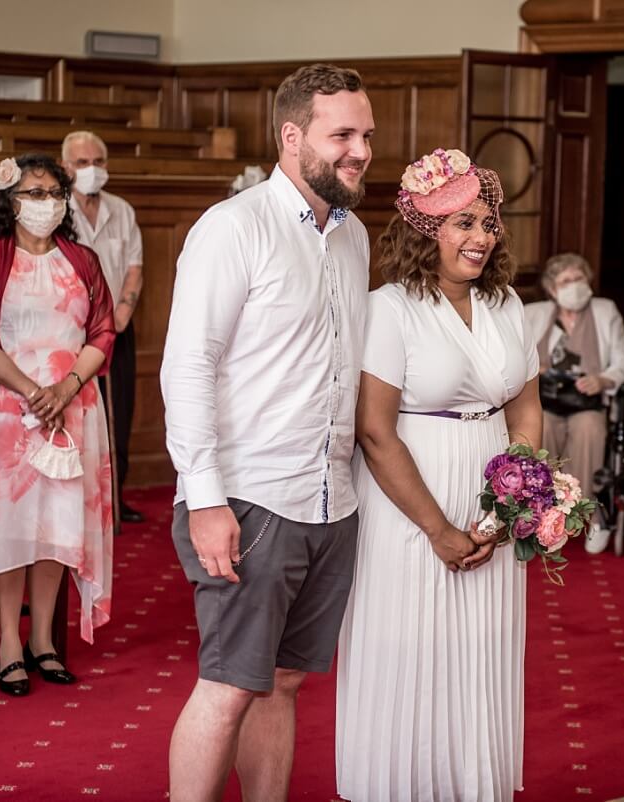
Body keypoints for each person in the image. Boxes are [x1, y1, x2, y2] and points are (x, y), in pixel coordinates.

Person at [160, 63, 374, 802]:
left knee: (282, 683)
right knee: (226, 686)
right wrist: (207, 499)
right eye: (341, 134)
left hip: (330, 502)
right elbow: (187, 369)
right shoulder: (233, 228)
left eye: (366, 135)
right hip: (250, 501)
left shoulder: (354, 238)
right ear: (292, 137)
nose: (360, 150)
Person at [335, 148, 541, 802]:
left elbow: (526, 409)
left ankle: (473, 785)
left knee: (481, 653)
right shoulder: (390, 308)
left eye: (488, 223)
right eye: (463, 224)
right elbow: (374, 429)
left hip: (488, 498)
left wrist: (509, 504)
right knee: (411, 653)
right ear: (427, 231)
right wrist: (439, 528)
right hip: (409, 507)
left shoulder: (508, 303)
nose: (482, 238)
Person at [0, 153, 116, 696]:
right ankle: (8, 644)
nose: (44, 203)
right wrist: (32, 391)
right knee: (13, 529)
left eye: (53, 193)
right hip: (6, 412)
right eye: (32, 193)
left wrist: (65, 389)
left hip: (70, 409)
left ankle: (44, 639)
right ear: (9, 200)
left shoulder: (83, 258)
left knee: (56, 526)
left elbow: (102, 332)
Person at [524, 252, 624, 554]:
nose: (574, 286)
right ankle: (542, 516)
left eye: (579, 278)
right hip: (545, 400)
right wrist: (537, 370)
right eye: (566, 281)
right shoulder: (533, 313)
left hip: (587, 402)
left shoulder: (604, 310)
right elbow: (515, 361)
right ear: (551, 288)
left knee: (588, 430)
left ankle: (591, 514)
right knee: (539, 429)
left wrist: (604, 379)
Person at [61, 130, 146, 524]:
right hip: (73, 334)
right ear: (65, 168)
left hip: (117, 328)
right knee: (80, 414)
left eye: (98, 162)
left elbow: (134, 267)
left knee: (120, 411)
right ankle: (81, 500)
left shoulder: (122, 210)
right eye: (82, 163)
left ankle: (116, 496)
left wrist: (120, 316)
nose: (92, 170)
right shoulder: (57, 209)